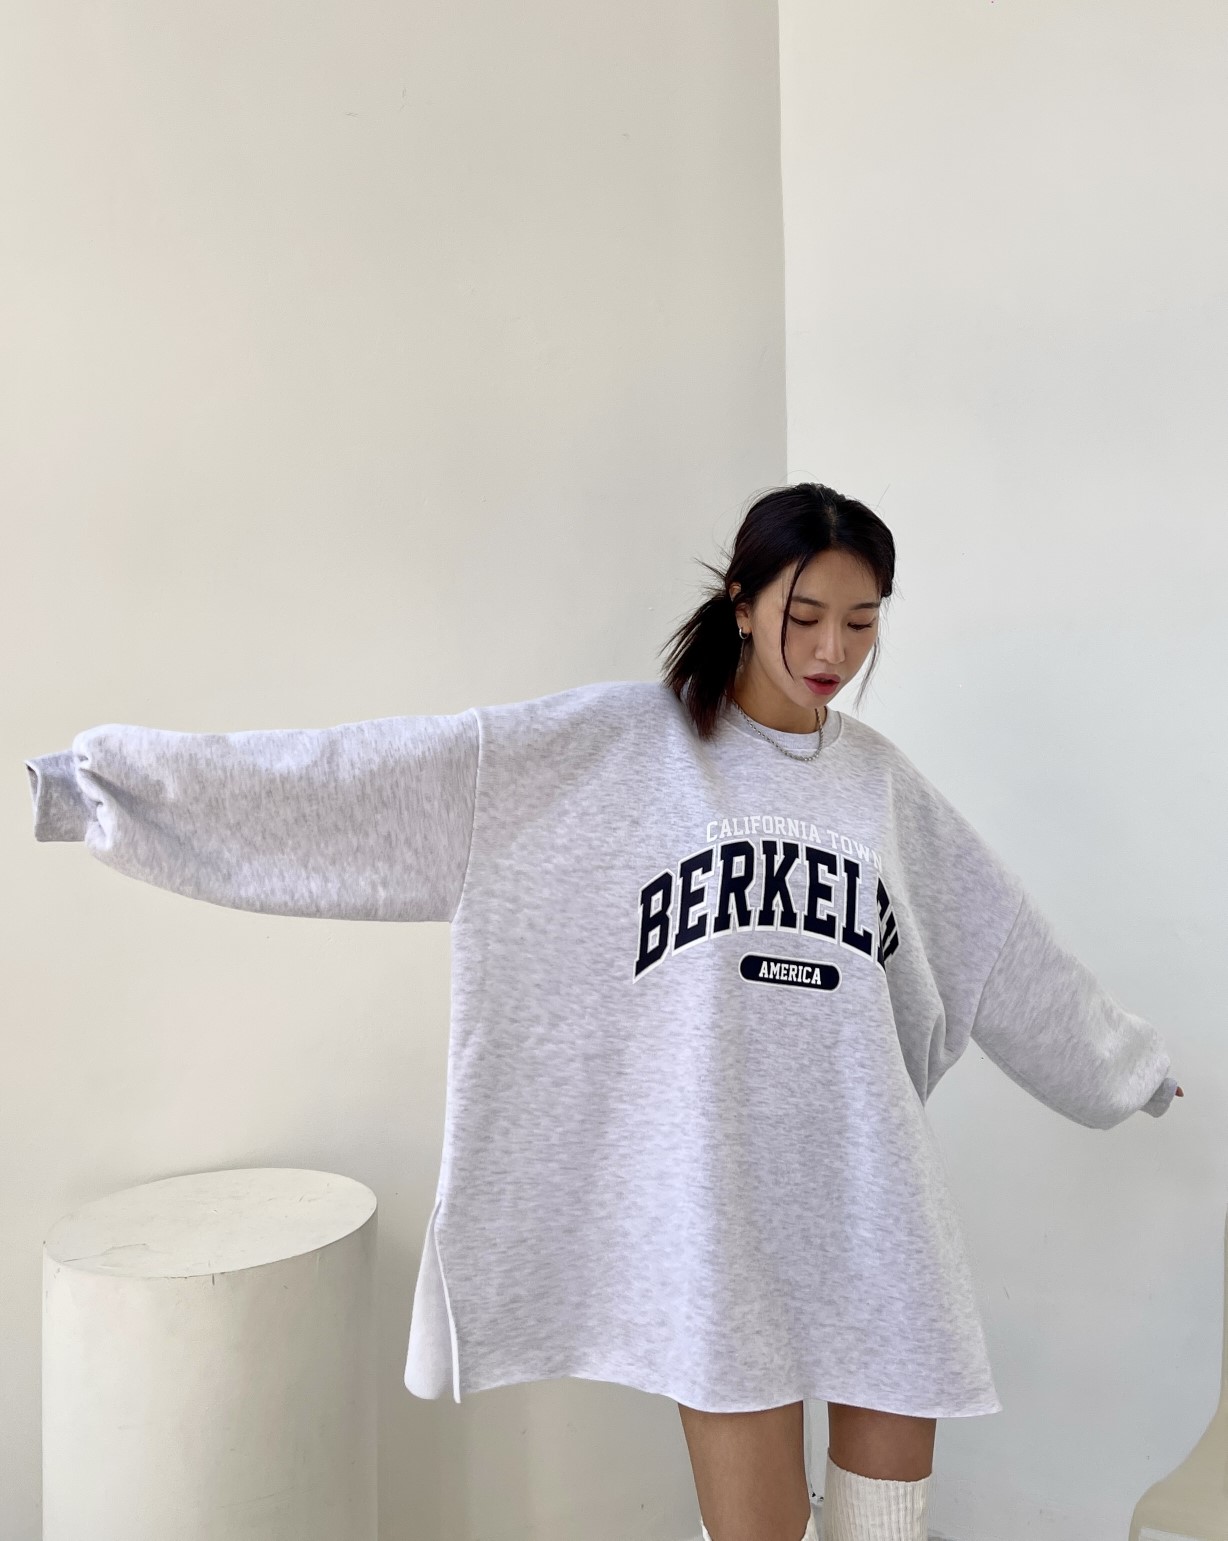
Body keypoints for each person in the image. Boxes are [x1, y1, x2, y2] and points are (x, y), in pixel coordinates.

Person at [25, 481, 1182, 1541]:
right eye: (805, 614)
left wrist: (1127, 1067)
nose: (833, 650)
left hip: (870, 1199)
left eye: (862, 621)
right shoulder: (613, 749)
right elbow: (368, 775)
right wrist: (110, 790)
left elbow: (1002, 945)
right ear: (741, 602)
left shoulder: (882, 785)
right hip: (711, 1214)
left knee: (887, 1529)